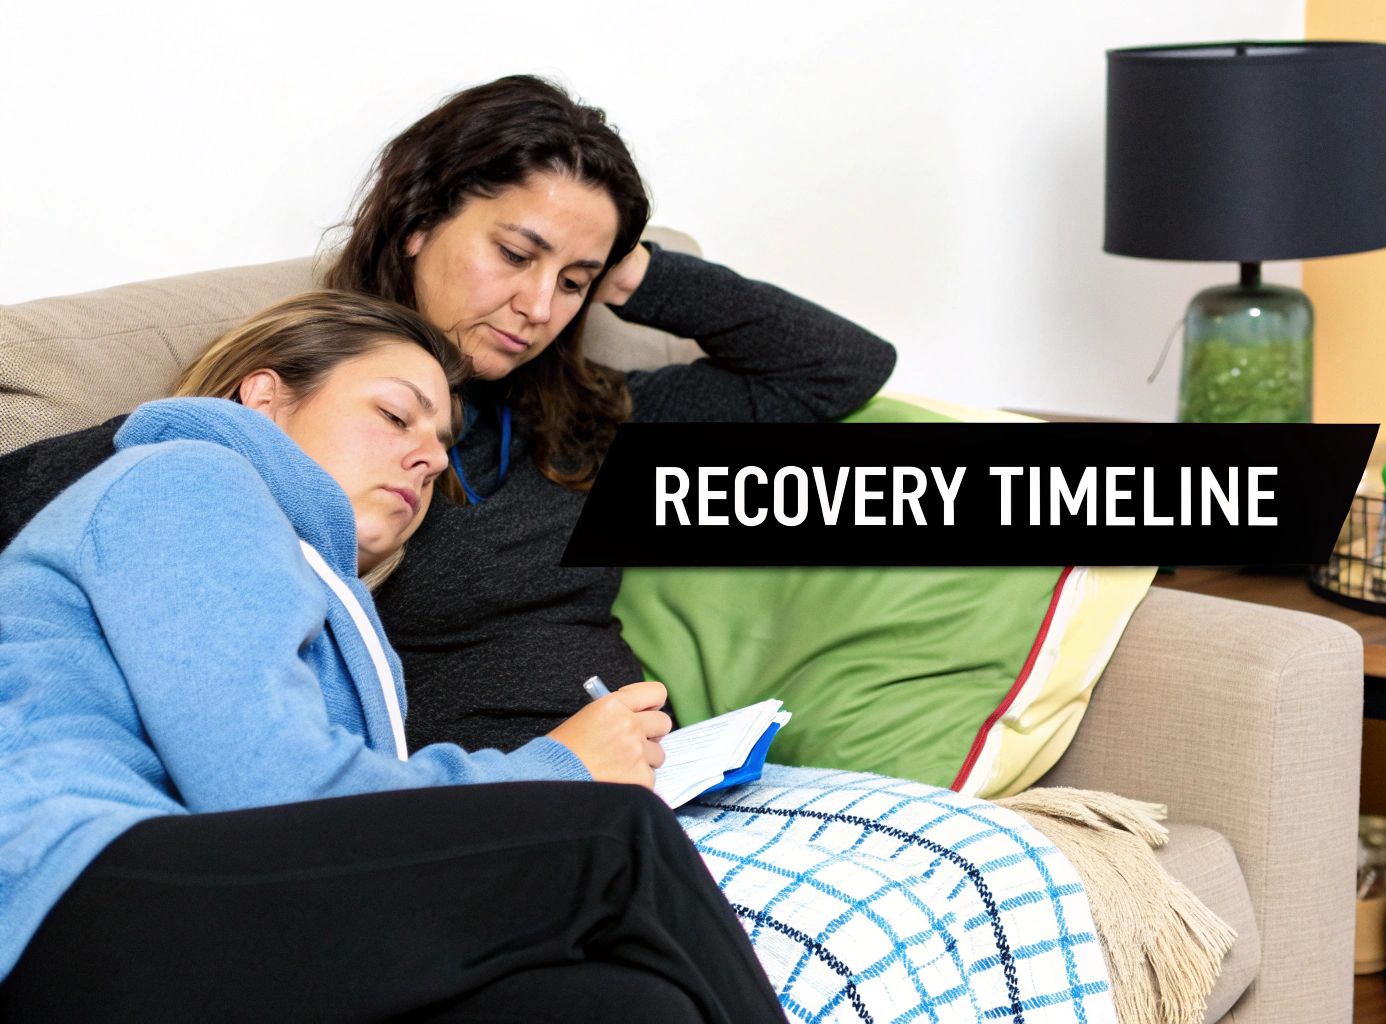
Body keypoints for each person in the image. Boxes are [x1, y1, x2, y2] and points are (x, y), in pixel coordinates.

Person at [0, 74, 897, 754]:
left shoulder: (586, 418)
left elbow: (840, 369)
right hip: (490, 793)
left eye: (573, 282)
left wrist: (633, 266)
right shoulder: (312, 405)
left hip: (668, 769)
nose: (539, 306)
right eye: (516, 253)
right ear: (421, 219)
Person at [0, 292, 786, 1022]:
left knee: (628, 1003)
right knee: (616, 835)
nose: (432, 458)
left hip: (223, 914)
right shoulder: (186, 479)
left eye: (442, 441)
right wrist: (559, 767)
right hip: (61, 894)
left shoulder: (328, 598)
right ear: (264, 396)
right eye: (395, 415)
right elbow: (276, 791)